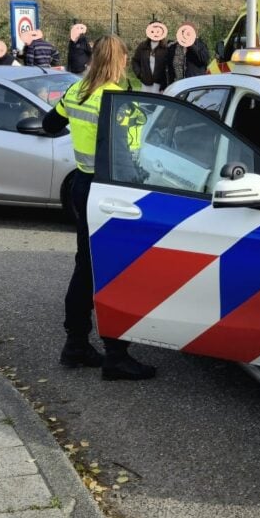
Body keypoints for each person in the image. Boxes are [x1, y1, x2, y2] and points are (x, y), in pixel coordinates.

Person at [42, 35, 156, 381]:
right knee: (114, 271)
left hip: (82, 187)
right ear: (119, 62)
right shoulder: (119, 101)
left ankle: (75, 345)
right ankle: (116, 355)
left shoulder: (76, 92)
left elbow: (49, 125)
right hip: (113, 191)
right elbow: (128, 155)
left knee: (85, 268)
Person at [131, 20, 170, 92]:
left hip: (159, 85)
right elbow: (135, 61)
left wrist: (164, 86)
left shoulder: (166, 49)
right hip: (145, 83)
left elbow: (168, 68)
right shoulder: (142, 47)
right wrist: (140, 74)